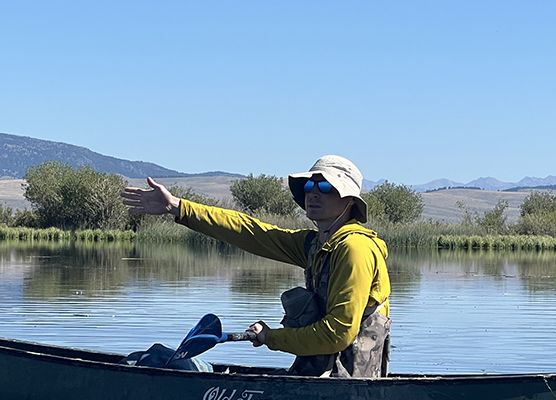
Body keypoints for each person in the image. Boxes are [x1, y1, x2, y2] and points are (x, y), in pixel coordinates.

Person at [122, 155, 391, 378]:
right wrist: (178, 207)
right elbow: (250, 232)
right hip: (321, 375)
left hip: (349, 384)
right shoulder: (315, 244)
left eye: (325, 188)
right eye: (309, 186)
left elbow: (338, 335)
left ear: (350, 201)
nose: (313, 194)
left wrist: (272, 337)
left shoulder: (354, 249)